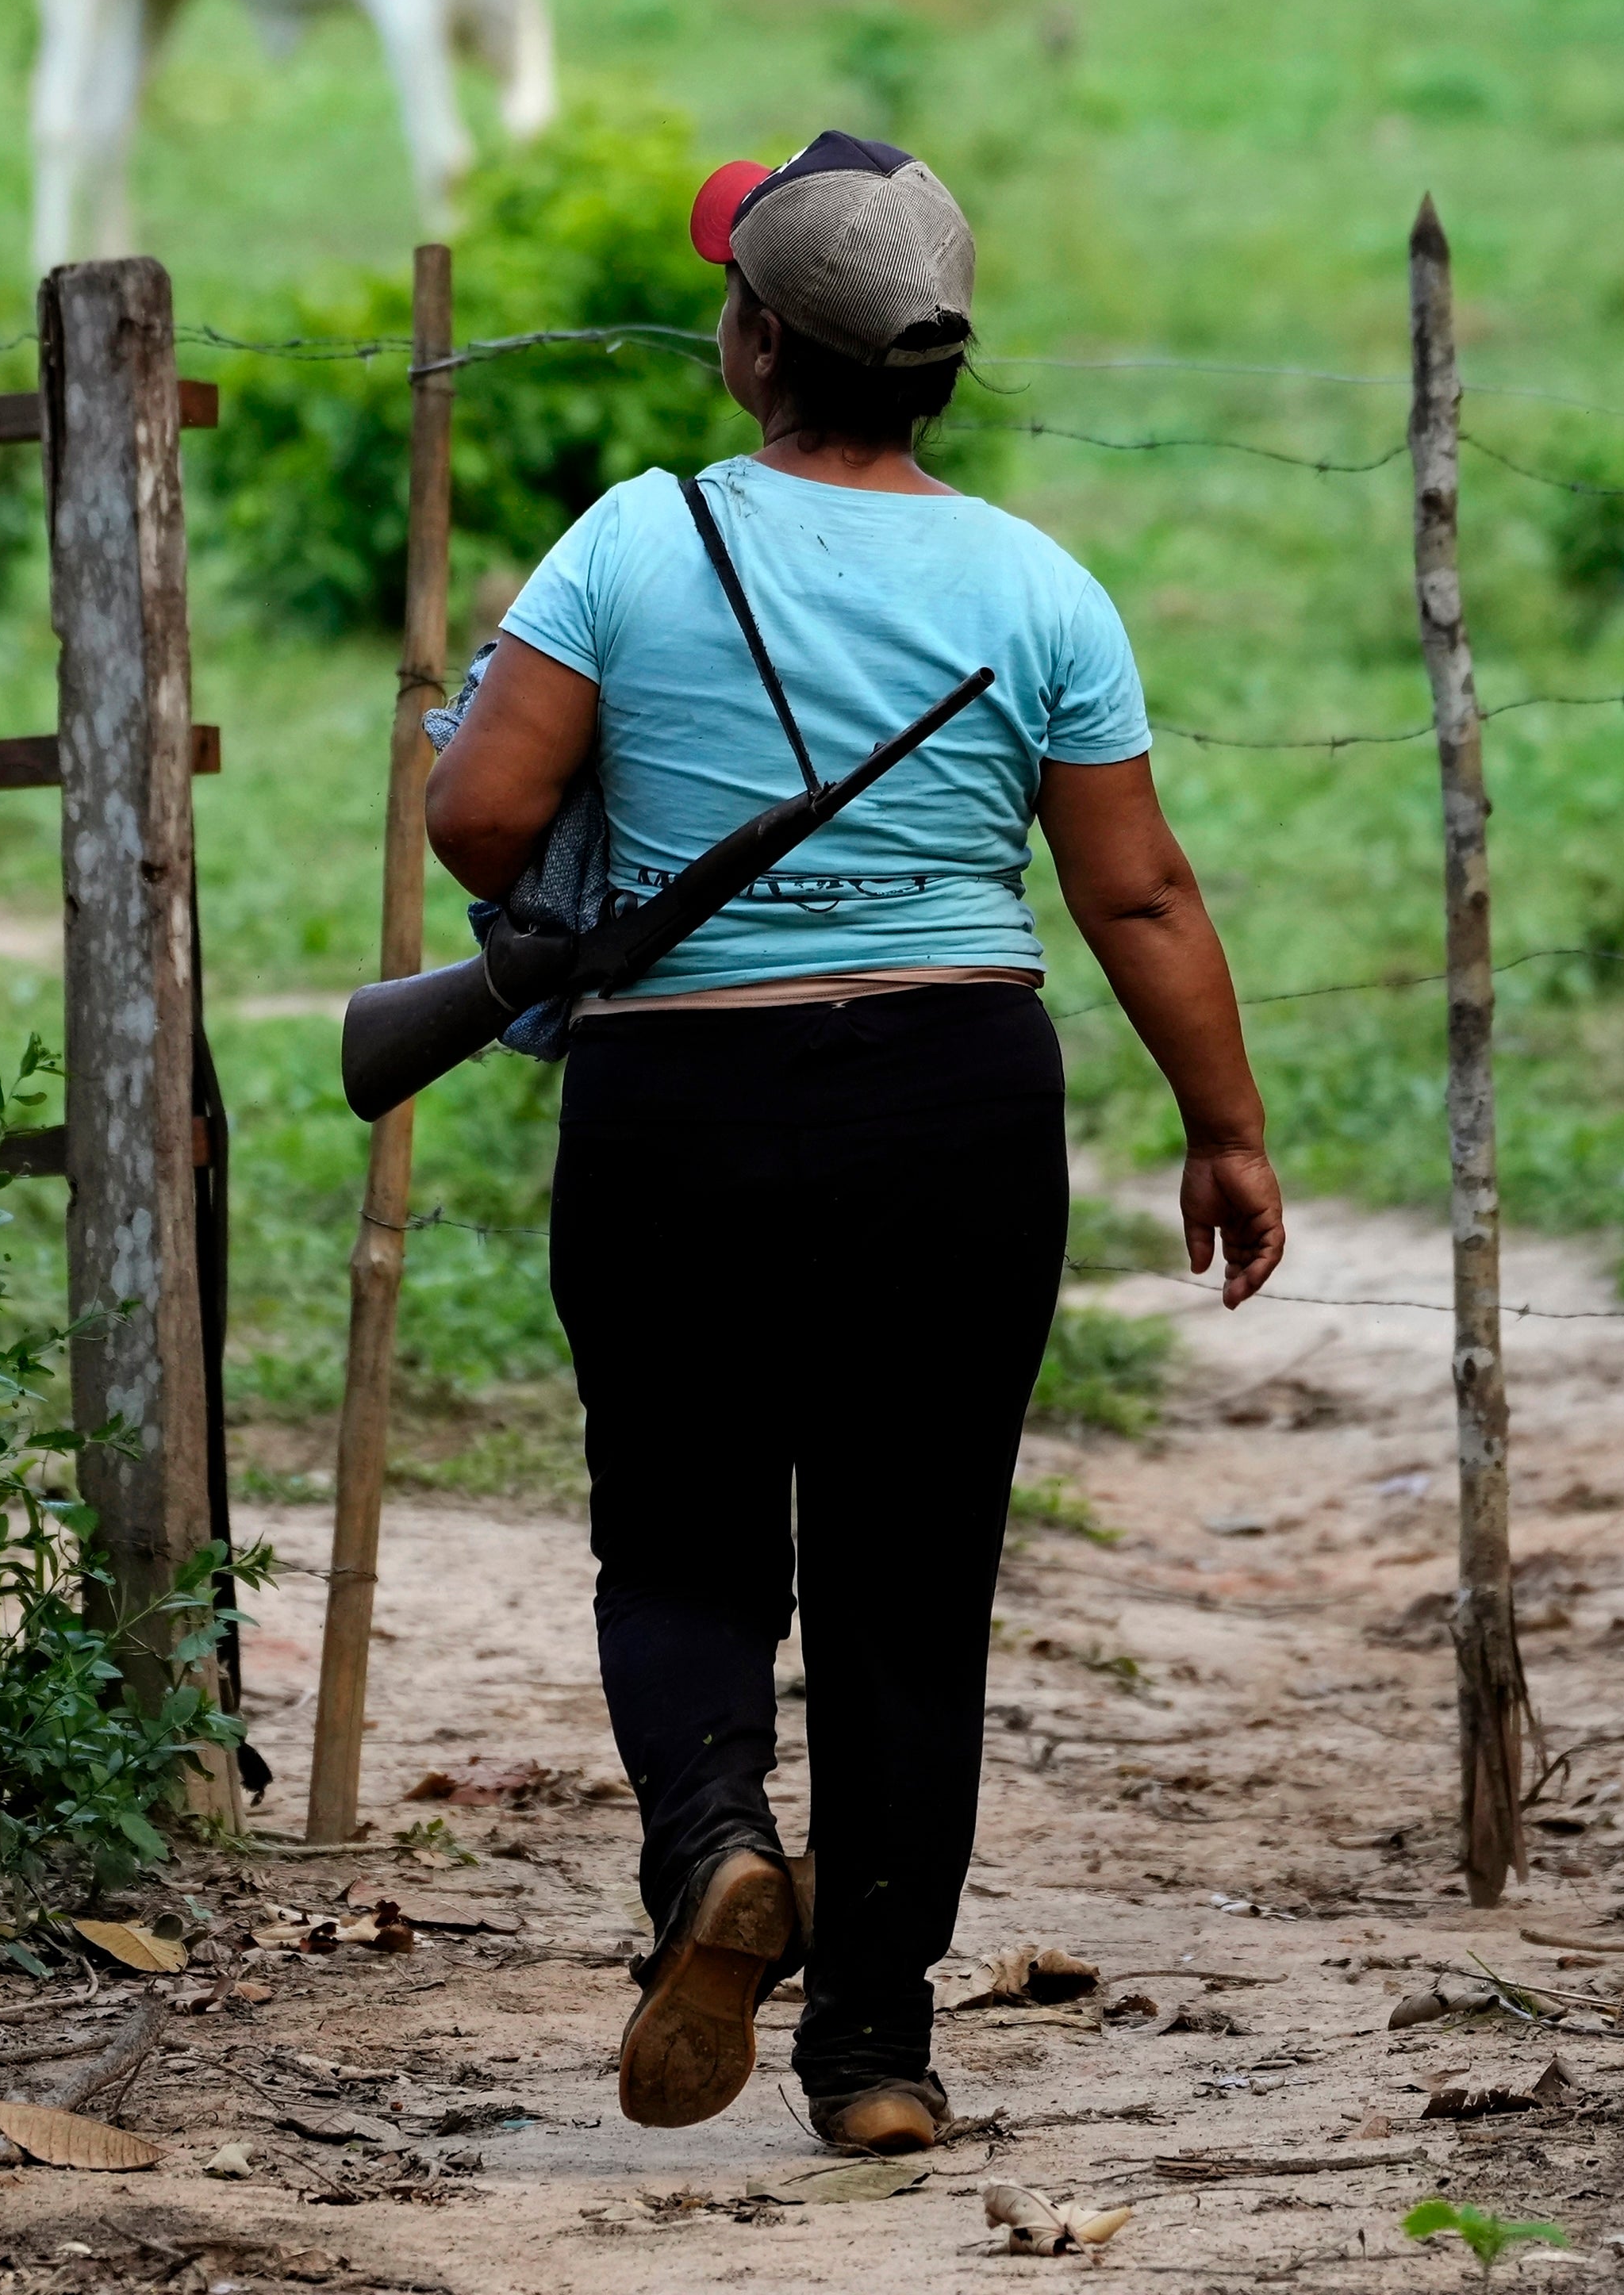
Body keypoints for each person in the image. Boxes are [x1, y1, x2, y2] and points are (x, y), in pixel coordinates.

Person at [424, 131, 1285, 2155]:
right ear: (933, 373)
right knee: (912, 1584)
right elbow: (1139, 896)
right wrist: (1226, 1130)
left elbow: (477, 825)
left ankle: (718, 1845)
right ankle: (878, 2052)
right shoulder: (1035, 583)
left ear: (751, 344)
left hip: (680, 1110)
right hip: (956, 1110)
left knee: (684, 1534)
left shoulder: (633, 546)